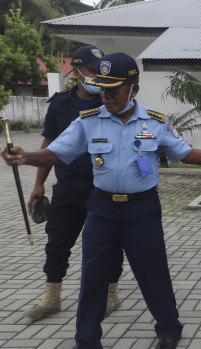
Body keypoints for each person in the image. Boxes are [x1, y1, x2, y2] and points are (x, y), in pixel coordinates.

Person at [1, 52, 201, 349]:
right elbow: (56, 152)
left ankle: (168, 328)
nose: (106, 95)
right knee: (93, 275)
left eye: (113, 89)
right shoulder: (88, 121)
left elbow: (185, 154)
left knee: (153, 271)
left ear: (133, 89)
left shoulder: (155, 122)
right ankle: (86, 339)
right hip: (102, 209)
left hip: (142, 209)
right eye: (102, 88)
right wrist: (26, 157)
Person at [22, 46, 125, 321]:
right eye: (93, 71)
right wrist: (38, 184)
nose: (98, 76)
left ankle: (110, 296)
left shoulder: (109, 103)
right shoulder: (60, 104)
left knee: (108, 244)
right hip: (67, 189)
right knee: (56, 243)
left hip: (102, 190)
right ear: (77, 72)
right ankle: (52, 297)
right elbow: (49, 144)